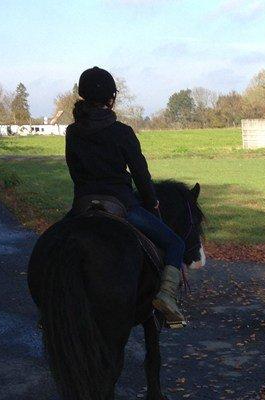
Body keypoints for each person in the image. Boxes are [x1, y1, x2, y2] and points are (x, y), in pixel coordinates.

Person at [65, 66, 185, 325]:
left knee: (57, 245)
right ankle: (166, 296)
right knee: (176, 243)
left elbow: (74, 172)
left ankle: (52, 307)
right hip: (122, 205)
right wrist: (151, 200)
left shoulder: (72, 132)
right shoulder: (122, 132)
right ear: (111, 98)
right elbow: (141, 174)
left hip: (83, 204)